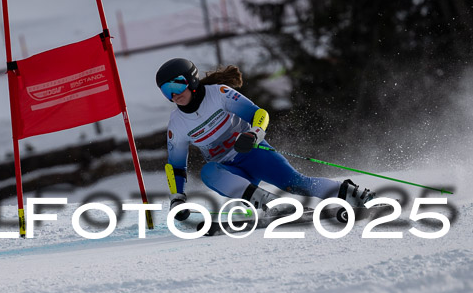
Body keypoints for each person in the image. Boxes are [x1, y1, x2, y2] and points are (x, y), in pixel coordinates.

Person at [156, 58, 374, 220]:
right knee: (208, 172)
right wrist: (177, 197)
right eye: (166, 91)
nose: (174, 94)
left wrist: (254, 133)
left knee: (297, 184)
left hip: (254, 154)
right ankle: (272, 204)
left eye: (177, 85)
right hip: (232, 173)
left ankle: (352, 193)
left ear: (192, 80)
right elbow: (175, 166)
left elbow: (259, 114)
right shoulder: (176, 124)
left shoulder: (219, 93)